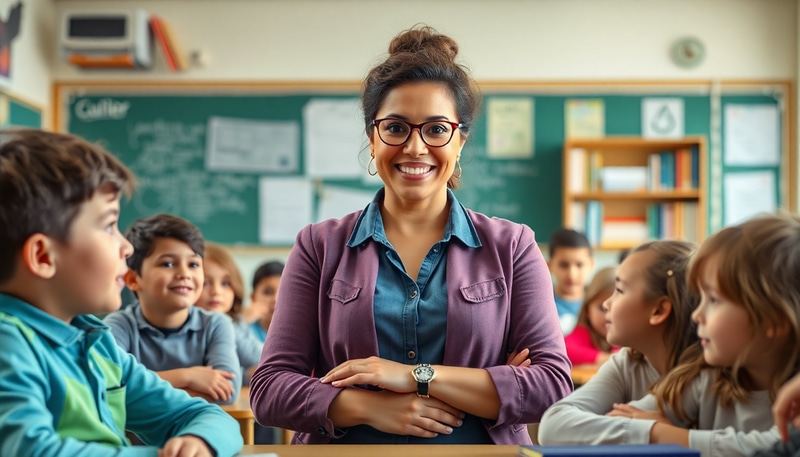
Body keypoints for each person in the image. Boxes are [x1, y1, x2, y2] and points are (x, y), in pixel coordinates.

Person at [249, 25, 572, 445]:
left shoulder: (511, 246)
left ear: (460, 140)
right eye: (396, 128)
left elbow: (549, 387)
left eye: (436, 129)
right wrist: (373, 407)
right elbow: (270, 390)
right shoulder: (319, 246)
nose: (415, 148)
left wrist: (415, 377)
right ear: (372, 137)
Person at [0, 128, 242, 456]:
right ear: (43, 256)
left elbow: (206, 415)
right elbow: (31, 451)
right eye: (108, 226)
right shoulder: (9, 343)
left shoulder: (94, 341)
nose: (126, 246)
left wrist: (200, 443)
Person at [606, 214, 800, 457]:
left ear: (772, 319)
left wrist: (667, 435)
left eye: (715, 300)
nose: (697, 315)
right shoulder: (705, 378)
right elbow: (620, 423)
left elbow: (774, 447)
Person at [538, 240, 699, 445]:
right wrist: (651, 431)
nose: (606, 304)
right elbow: (553, 426)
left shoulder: (702, 375)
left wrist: (617, 427)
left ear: (658, 311)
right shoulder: (627, 362)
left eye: (620, 290)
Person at [104, 214, 242, 404]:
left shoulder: (216, 324)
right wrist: (186, 377)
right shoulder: (119, 326)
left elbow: (228, 391)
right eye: (168, 264)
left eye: (193, 264)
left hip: (199, 431)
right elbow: (108, 385)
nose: (184, 274)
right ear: (133, 279)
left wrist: (139, 390)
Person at [195, 242, 263, 379]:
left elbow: (260, 357)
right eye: (205, 283)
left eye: (225, 283)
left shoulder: (235, 323)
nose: (216, 292)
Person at [563, 266, 617, 367]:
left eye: (618, 309)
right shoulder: (584, 332)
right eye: (602, 308)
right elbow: (564, 349)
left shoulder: (629, 338)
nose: (609, 316)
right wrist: (605, 358)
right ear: (587, 309)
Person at [547, 228, 595, 335]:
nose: (571, 274)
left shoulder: (599, 303)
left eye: (579, 265)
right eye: (564, 265)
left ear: (591, 265)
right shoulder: (542, 304)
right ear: (549, 265)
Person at [244, 260, 284, 343]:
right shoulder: (244, 329)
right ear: (253, 298)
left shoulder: (300, 331)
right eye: (268, 292)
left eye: (283, 292)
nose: (276, 299)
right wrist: (241, 320)